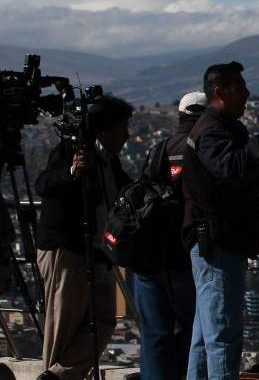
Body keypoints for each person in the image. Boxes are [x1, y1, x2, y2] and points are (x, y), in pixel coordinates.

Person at [181, 62, 259, 380]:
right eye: (240, 88)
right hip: (218, 243)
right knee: (223, 337)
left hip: (223, 242)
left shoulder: (227, 130)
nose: (247, 94)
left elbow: (252, 176)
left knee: (205, 340)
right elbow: (234, 170)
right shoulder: (210, 131)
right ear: (219, 92)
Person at [35, 95, 135, 380]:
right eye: (122, 128)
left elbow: (124, 189)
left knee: (103, 321)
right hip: (67, 252)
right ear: (105, 130)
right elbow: (44, 184)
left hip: (96, 252)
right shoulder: (72, 151)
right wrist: (72, 173)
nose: (127, 135)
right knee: (63, 330)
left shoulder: (108, 161)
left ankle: (55, 377)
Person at [132, 91, 207, 379]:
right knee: (194, 331)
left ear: (180, 116)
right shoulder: (205, 148)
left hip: (150, 257)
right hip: (185, 254)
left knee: (154, 335)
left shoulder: (159, 149)